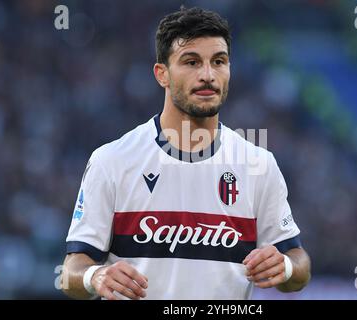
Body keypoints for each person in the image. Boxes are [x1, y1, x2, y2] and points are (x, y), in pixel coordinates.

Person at [61, 6, 311, 300]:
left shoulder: (258, 164)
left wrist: (286, 266)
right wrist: (95, 275)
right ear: (162, 74)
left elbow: (298, 262)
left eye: (219, 61)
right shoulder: (112, 161)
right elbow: (70, 272)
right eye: (191, 62)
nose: (208, 75)